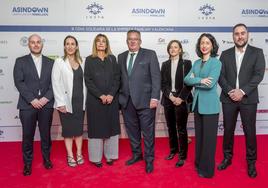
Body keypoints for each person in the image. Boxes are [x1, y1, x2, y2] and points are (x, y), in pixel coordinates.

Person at [217, 23, 265, 178]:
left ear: (247, 34)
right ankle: (227, 158)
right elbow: (221, 76)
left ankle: (251, 162)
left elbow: (258, 75)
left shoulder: (257, 53)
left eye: (242, 33)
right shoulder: (225, 54)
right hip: (228, 98)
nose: (239, 36)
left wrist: (242, 91)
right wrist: (231, 91)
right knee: (228, 130)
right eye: (236, 33)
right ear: (233, 36)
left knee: (249, 131)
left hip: (248, 99)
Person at [118, 30, 161, 173]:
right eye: (130, 39)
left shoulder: (150, 54)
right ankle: (137, 155)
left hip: (146, 101)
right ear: (126, 41)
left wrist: (155, 98)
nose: (132, 41)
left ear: (140, 41)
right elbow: (120, 79)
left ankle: (149, 160)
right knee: (132, 131)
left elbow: (156, 77)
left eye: (135, 39)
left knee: (148, 133)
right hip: (126, 101)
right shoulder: (121, 56)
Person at [13, 34, 54, 176]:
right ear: (28, 44)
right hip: (27, 105)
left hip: (45, 105)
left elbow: (54, 84)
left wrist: (45, 99)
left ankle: (47, 159)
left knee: (46, 135)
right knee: (27, 136)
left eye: (38, 42)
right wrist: (32, 99)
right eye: (32, 42)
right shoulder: (20, 61)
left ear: (42, 44)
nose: (36, 45)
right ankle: (28, 164)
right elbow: (19, 82)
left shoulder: (51, 62)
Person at [184, 33, 222, 178]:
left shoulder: (216, 63)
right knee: (199, 137)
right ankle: (199, 163)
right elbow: (187, 80)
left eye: (207, 43)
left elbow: (210, 84)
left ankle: (207, 170)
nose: (204, 45)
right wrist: (201, 80)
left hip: (210, 107)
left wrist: (196, 80)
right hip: (198, 105)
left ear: (212, 45)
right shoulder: (196, 63)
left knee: (209, 140)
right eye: (202, 43)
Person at [84, 34, 120, 168]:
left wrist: (110, 94)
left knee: (111, 128)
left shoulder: (112, 58)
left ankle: (110, 156)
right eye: (98, 41)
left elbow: (117, 78)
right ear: (95, 44)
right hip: (95, 101)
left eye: (103, 41)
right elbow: (88, 80)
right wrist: (100, 95)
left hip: (112, 100)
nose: (101, 43)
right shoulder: (89, 59)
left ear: (107, 44)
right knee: (96, 129)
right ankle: (96, 158)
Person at [52, 35, 86, 167]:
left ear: (77, 46)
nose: (70, 46)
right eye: (67, 44)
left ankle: (79, 154)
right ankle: (70, 155)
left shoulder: (82, 61)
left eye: (73, 44)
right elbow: (55, 83)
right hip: (65, 103)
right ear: (64, 46)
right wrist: (60, 103)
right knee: (68, 131)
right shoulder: (59, 62)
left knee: (78, 131)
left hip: (80, 102)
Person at [160, 40, 193, 167]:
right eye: (171, 47)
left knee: (181, 129)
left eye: (176, 47)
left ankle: (182, 156)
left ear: (180, 49)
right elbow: (163, 83)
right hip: (169, 100)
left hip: (182, 100)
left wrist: (180, 98)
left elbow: (189, 83)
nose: (173, 49)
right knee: (171, 128)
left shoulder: (187, 63)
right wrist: (171, 96)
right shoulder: (165, 64)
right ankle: (173, 150)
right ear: (168, 50)